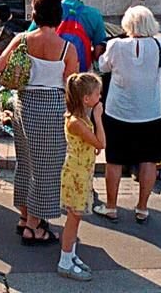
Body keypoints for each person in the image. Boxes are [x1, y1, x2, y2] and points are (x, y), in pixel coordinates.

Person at [0, 0, 78, 243]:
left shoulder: (22, 39)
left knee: (26, 162)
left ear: (36, 13)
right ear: (59, 15)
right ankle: (34, 226)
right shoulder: (67, 48)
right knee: (48, 168)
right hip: (52, 108)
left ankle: (23, 216)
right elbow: (71, 85)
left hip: (25, 105)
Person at [94, 6, 161, 224]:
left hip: (118, 111)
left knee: (114, 160)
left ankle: (111, 206)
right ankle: (142, 207)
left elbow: (103, 67)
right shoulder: (160, 44)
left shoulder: (116, 45)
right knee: (149, 160)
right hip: (150, 112)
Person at [58, 72, 105, 282]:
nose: (100, 96)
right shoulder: (78, 121)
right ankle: (65, 261)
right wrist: (99, 118)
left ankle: (71, 254)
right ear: (86, 98)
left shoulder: (79, 117)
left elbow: (90, 143)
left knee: (75, 218)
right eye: (97, 93)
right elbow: (101, 143)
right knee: (73, 218)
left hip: (82, 170)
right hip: (76, 174)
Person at [47, 0, 107, 71]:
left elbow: (31, 36)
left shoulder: (47, 10)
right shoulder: (94, 14)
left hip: (52, 71)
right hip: (80, 73)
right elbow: (98, 53)